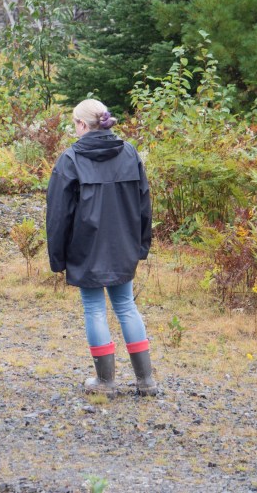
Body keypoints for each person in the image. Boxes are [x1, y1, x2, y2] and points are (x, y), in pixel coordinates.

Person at [45, 99, 157, 397]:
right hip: (124, 244)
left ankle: (105, 382)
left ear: (82, 125)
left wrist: (57, 258)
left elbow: (58, 215)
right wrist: (141, 244)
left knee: (94, 308)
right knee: (126, 306)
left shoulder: (70, 160)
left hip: (86, 248)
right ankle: (146, 381)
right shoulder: (130, 153)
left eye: (74, 124)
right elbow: (144, 202)